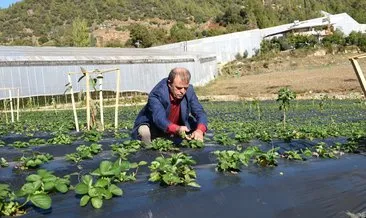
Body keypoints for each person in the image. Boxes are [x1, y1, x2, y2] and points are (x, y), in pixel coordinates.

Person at [131, 67, 208, 145]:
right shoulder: (157, 94)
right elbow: (159, 119)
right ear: (169, 84)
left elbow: (199, 112)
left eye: (185, 88)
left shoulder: (189, 91)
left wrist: (199, 130)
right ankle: (148, 153)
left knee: (199, 128)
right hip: (153, 126)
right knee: (144, 133)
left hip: (177, 125)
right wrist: (177, 129)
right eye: (178, 88)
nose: (182, 91)